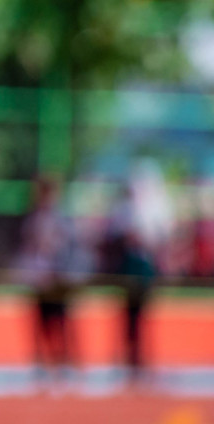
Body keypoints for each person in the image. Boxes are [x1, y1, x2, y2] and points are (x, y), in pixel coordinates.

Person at [101, 160, 172, 379]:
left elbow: (162, 237)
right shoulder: (123, 208)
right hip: (128, 265)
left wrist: (148, 242)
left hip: (144, 266)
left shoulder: (156, 207)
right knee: (127, 314)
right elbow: (113, 235)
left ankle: (141, 358)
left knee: (143, 314)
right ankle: (126, 357)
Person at [14, 175, 88, 378]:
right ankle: (42, 362)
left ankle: (67, 361)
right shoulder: (33, 218)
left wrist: (63, 268)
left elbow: (71, 246)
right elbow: (28, 247)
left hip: (59, 277)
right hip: (39, 277)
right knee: (40, 322)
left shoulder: (63, 218)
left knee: (63, 321)